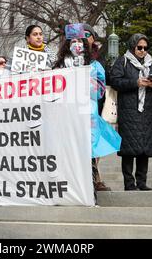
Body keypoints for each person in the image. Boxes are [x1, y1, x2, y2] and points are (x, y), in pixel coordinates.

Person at [54, 25, 121, 200]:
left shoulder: (94, 65)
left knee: (87, 154)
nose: (77, 45)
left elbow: (99, 91)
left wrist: (85, 80)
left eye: (80, 41)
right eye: (72, 41)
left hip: (86, 117)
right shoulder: (59, 65)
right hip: (66, 116)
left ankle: (89, 193)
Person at [110, 33, 152, 191]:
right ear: (132, 46)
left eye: (145, 48)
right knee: (128, 148)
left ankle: (142, 182)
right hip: (129, 111)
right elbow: (114, 81)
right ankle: (129, 183)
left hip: (147, 111)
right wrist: (135, 82)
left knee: (144, 147)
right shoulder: (123, 61)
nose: (142, 51)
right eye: (139, 47)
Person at [82, 24, 111, 192]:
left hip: (90, 113)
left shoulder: (96, 64)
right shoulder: (66, 61)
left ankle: (94, 180)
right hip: (70, 114)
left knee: (92, 147)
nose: (84, 38)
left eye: (87, 34)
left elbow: (100, 92)